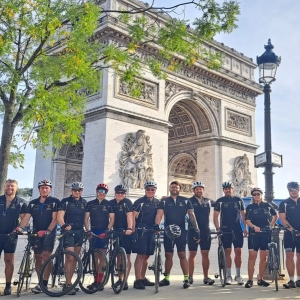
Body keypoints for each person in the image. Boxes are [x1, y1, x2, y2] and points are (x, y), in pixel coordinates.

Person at [17, 179, 60, 294]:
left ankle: (45, 283)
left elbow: (55, 219)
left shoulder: (55, 202)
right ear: (39, 189)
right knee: (38, 258)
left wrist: (48, 231)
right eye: (42, 188)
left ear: (50, 189)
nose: (44, 189)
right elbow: (26, 218)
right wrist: (21, 227)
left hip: (49, 233)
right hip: (36, 232)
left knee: (46, 256)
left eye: (47, 188)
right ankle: (40, 280)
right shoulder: (33, 203)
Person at [155, 180, 200, 289]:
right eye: (172, 187)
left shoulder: (186, 201)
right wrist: (156, 225)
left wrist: (197, 230)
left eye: (176, 187)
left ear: (180, 189)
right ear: (169, 189)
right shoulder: (164, 201)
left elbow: (192, 215)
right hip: (168, 231)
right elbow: (159, 214)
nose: (174, 189)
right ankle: (166, 278)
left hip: (181, 232)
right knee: (168, 255)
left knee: (182, 255)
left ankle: (186, 279)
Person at [213, 181, 247, 285]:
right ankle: (228, 276)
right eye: (226, 189)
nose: (228, 190)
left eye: (229, 188)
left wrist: (245, 228)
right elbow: (215, 217)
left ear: (233, 189)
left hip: (237, 229)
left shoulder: (239, 200)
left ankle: (238, 275)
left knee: (238, 252)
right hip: (225, 229)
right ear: (223, 190)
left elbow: (243, 216)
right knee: (227, 252)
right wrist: (218, 229)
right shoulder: (220, 201)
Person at [57, 182, 87, 295]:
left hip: (79, 232)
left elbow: (86, 218)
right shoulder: (65, 201)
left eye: (79, 190)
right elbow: (60, 216)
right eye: (75, 190)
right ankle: (67, 284)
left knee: (75, 258)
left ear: (82, 191)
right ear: (71, 191)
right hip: (68, 232)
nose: (77, 192)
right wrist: (64, 226)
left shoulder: (84, 202)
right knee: (69, 258)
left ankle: (70, 281)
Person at [244, 187, 278, 288]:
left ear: (261, 195)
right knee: (252, 257)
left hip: (266, 233)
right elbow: (247, 221)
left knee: (263, 257)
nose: (256, 196)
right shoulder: (250, 207)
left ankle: (260, 279)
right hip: (254, 234)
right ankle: (250, 280)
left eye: (258, 194)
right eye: (254, 194)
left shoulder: (267, 205)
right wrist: (254, 227)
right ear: (252, 196)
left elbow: (275, 216)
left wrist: (270, 226)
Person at [84, 183, 114, 289]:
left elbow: (112, 219)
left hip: (103, 232)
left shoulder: (109, 204)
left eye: (104, 192)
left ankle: (100, 281)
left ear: (106, 193)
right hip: (93, 231)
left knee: (102, 256)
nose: (102, 193)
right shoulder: (90, 204)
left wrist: (107, 231)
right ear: (96, 192)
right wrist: (88, 231)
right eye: (100, 191)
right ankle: (95, 280)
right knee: (94, 257)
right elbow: (86, 219)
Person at [0, 179, 27, 296]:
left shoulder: (21, 202)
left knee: (9, 261)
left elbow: (24, 218)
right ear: (4, 187)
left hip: (11, 236)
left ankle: (7, 286)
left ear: (16, 188)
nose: (9, 188)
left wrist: (20, 228)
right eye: (8, 186)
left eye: (12, 186)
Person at [132, 181, 160, 290]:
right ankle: (137, 280)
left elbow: (159, 214)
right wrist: (133, 231)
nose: (150, 191)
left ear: (155, 190)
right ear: (145, 190)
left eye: (152, 189)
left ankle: (143, 278)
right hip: (141, 231)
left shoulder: (158, 202)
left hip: (151, 231)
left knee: (147, 256)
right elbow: (133, 218)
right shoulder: (139, 202)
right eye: (148, 189)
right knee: (140, 255)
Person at [188, 181, 216, 285]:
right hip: (192, 231)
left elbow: (220, 204)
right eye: (197, 189)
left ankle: (206, 277)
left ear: (203, 190)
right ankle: (190, 277)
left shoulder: (208, 201)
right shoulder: (189, 201)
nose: (199, 190)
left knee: (205, 254)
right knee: (192, 254)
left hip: (205, 230)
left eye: (200, 188)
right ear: (193, 190)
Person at [110, 184, 133, 290]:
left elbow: (130, 216)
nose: (120, 194)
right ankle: (120, 278)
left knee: (126, 257)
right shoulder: (110, 203)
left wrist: (129, 228)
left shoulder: (127, 202)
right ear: (115, 193)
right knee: (118, 256)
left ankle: (125, 280)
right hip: (115, 232)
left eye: (122, 193)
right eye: (118, 192)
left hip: (125, 232)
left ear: (125, 194)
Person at [279, 181, 300, 289]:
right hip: (289, 233)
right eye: (291, 190)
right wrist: (292, 230)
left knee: (299, 256)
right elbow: (283, 219)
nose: (294, 191)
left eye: (295, 189)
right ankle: (291, 280)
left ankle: (299, 279)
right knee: (289, 256)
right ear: (288, 191)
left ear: (298, 189)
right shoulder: (284, 203)